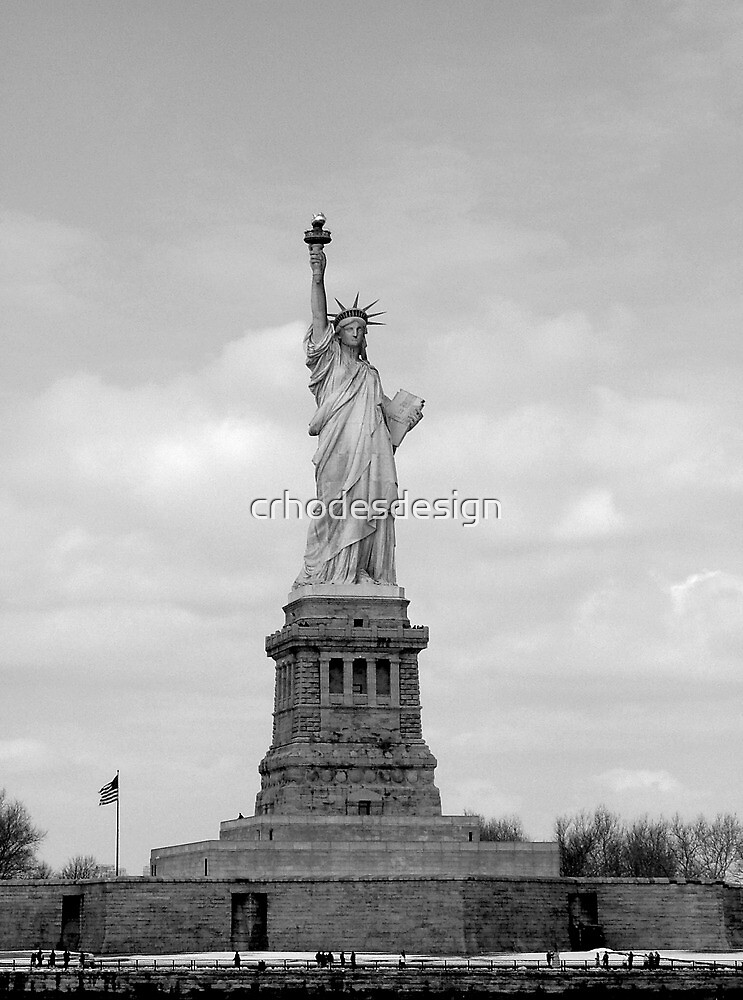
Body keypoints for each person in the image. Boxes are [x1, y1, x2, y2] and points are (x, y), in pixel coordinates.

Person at [293, 243, 423, 587]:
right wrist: (318, 275)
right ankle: (329, 569)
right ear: (337, 334)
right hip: (338, 447)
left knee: (367, 505)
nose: (356, 332)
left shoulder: (369, 374)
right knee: (334, 506)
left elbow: (385, 418)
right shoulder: (330, 362)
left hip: (370, 451)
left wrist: (405, 419)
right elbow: (318, 318)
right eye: (350, 327)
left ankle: (358, 570)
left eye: (361, 329)